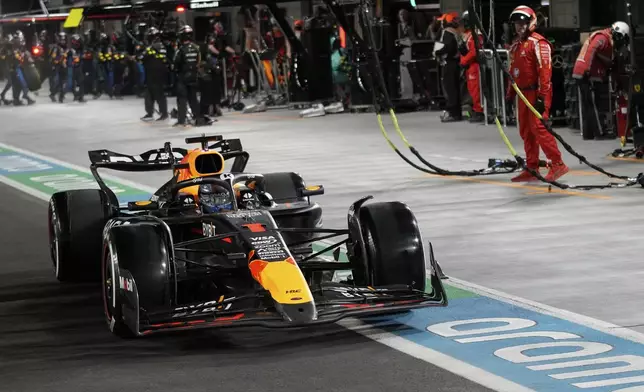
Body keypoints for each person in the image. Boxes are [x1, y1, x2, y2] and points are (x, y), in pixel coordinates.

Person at [505, 5, 569, 182]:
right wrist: (510, 93)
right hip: (522, 94)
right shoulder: (516, 45)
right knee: (526, 130)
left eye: (523, 22)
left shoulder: (539, 43)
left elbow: (545, 73)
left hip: (537, 93)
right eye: (517, 23)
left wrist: (542, 97)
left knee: (539, 128)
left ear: (531, 22)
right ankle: (532, 168)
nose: (520, 26)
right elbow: (512, 70)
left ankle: (558, 164)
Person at [572, 21, 630, 140]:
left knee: (588, 105)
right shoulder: (603, 38)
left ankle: (589, 133)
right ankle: (600, 133)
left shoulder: (605, 38)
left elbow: (600, 55)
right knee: (594, 104)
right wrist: (587, 70)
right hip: (587, 74)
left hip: (580, 72)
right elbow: (592, 50)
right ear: (618, 34)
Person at [434, 12, 462, 122]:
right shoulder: (456, 32)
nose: (441, 22)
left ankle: (453, 114)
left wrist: (438, 52)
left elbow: (448, 47)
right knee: (455, 89)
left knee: (450, 89)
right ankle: (456, 113)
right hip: (456, 63)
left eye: (442, 20)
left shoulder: (447, 32)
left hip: (449, 63)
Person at [173, 25, 204, 127]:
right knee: (193, 99)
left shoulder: (180, 50)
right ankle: (198, 118)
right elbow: (199, 62)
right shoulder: (197, 48)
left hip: (182, 77)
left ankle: (181, 120)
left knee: (182, 99)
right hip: (194, 77)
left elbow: (176, 64)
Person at [459, 10, 484, 123]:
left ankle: (479, 111)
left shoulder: (476, 35)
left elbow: (475, 52)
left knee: (476, 90)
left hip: (474, 65)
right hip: (470, 66)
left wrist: (463, 61)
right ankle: (476, 109)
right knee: (472, 89)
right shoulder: (469, 34)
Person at [140, 27, 169, 121]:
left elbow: (160, 57)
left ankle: (164, 113)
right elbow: (141, 57)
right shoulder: (150, 47)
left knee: (159, 93)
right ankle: (149, 112)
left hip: (158, 73)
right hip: (150, 73)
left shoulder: (159, 46)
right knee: (148, 93)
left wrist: (148, 51)